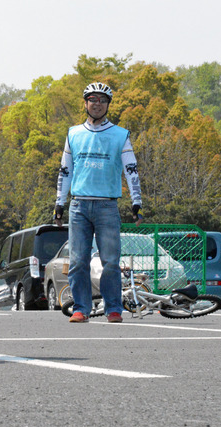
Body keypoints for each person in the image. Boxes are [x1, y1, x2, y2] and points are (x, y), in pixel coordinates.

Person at [54, 82, 143, 324]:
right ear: (85, 103)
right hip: (79, 206)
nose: (97, 104)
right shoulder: (73, 133)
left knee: (111, 262)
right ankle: (81, 308)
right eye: (92, 99)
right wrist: (59, 202)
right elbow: (65, 171)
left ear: (108, 105)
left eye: (103, 100)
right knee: (78, 261)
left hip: (107, 206)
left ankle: (113, 308)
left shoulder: (120, 135)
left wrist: (137, 202)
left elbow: (131, 170)